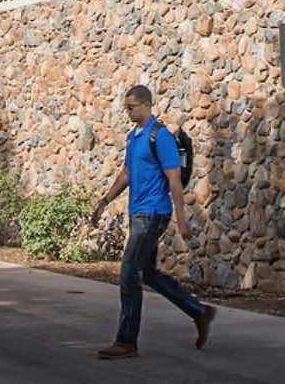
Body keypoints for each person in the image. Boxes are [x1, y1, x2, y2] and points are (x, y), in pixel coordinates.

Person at [87, 84, 215, 359]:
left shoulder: (160, 136)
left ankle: (126, 341)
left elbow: (174, 179)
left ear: (146, 104)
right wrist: (104, 201)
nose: (128, 111)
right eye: (126, 107)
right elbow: (127, 173)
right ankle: (200, 311)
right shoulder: (134, 137)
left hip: (153, 212)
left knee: (128, 273)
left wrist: (181, 220)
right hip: (138, 212)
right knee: (148, 274)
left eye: (131, 107)